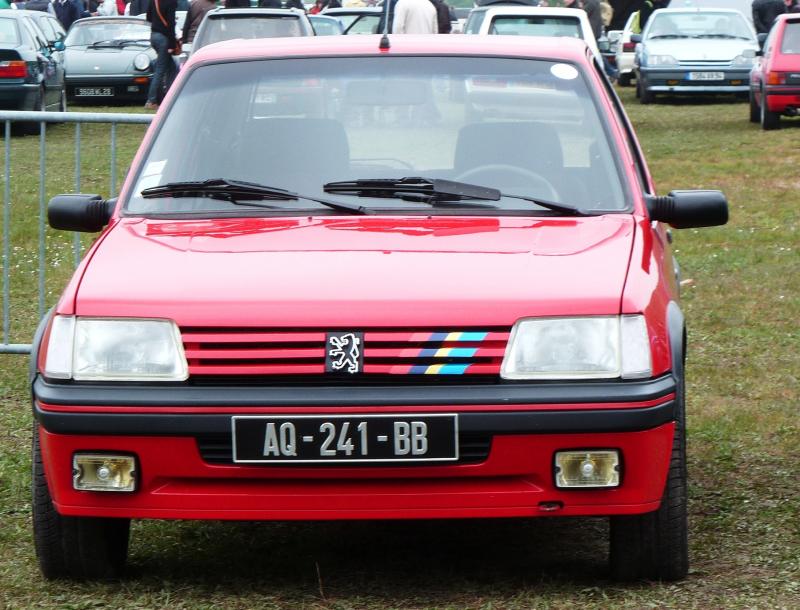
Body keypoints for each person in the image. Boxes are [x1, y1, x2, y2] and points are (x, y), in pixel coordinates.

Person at [145, 0, 177, 110]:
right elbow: (171, 24)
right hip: (163, 38)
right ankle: (151, 100)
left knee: (172, 68)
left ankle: (168, 96)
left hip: (154, 35)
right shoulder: (171, 2)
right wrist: (172, 45)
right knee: (160, 70)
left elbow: (148, 17)